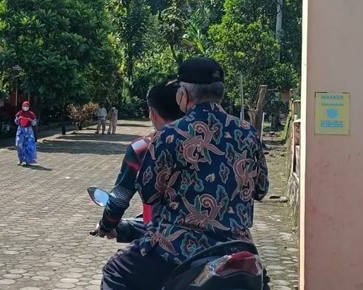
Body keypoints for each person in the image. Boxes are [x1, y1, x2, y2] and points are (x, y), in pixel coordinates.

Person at [100, 57, 269, 290]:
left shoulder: (170, 135)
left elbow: (149, 194)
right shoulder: (248, 133)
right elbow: (261, 189)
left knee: (115, 271)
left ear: (183, 94)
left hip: (176, 250)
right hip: (238, 248)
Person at [93, 80, 183, 238]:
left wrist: (106, 225)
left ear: (152, 113)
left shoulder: (142, 148)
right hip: (226, 241)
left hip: (165, 240)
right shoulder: (215, 143)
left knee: (113, 264)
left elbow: (119, 198)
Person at [14, 101, 38, 166]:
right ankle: (21, 160)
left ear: (29, 107)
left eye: (27, 106)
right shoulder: (19, 113)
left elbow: (34, 123)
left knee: (28, 146)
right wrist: (18, 119)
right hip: (20, 130)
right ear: (22, 106)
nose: (25, 107)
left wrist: (31, 120)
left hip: (29, 131)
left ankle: (27, 161)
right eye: (24, 106)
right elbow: (16, 122)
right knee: (19, 144)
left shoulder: (31, 114)